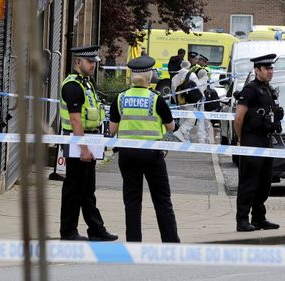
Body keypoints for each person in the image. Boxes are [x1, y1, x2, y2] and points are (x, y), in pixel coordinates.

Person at [108, 55, 180, 243]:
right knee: (162, 200)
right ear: (149, 77)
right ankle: (170, 241)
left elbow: (112, 129)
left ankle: (133, 241)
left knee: (132, 200)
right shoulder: (156, 99)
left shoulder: (120, 98)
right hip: (152, 155)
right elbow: (171, 126)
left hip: (127, 155)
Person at [59, 45, 118, 241]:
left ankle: (96, 230)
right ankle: (68, 232)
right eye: (89, 62)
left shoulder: (87, 83)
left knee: (87, 189)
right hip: (77, 141)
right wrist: (83, 148)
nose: (93, 65)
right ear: (78, 62)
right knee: (73, 189)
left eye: (94, 62)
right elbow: (75, 120)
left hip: (89, 139)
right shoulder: (73, 86)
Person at [233, 54, 284, 232]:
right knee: (249, 183)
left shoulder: (267, 89)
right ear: (257, 70)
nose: (271, 72)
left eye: (271, 68)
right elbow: (238, 118)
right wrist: (242, 139)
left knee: (264, 183)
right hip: (252, 140)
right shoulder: (250, 90)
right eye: (267, 68)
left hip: (266, 140)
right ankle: (242, 220)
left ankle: (259, 218)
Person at [171, 60, 201, 142]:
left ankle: (184, 138)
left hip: (180, 101)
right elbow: (199, 87)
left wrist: (177, 101)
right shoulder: (192, 75)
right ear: (189, 66)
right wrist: (198, 100)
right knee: (192, 117)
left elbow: (173, 91)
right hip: (189, 101)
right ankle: (181, 132)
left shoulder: (175, 77)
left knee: (183, 118)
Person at [196, 69, 212, 143]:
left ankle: (201, 139)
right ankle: (208, 137)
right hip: (209, 104)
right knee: (207, 121)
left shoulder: (198, 82)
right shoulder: (210, 82)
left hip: (201, 104)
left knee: (201, 121)